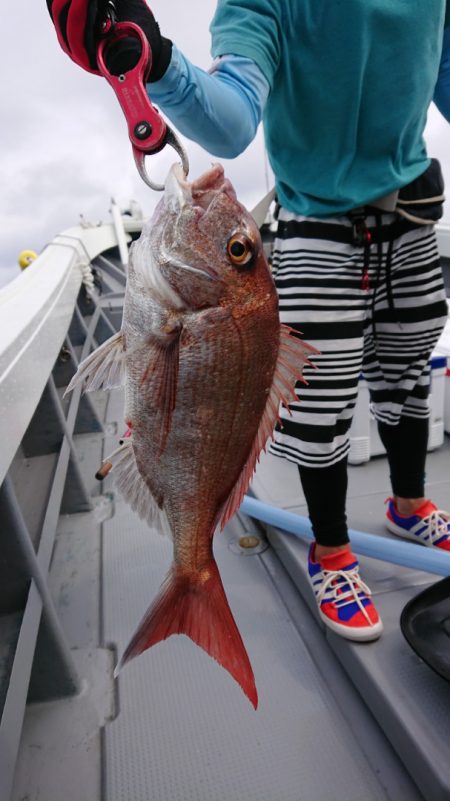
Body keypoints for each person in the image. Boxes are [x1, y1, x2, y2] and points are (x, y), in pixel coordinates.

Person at [47, 0, 450, 642]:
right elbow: (232, 119)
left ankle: (410, 505)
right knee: (319, 407)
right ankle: (331, 550)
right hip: (317, 224)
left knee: (409, 377)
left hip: (413, 221)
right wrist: (156, 59)